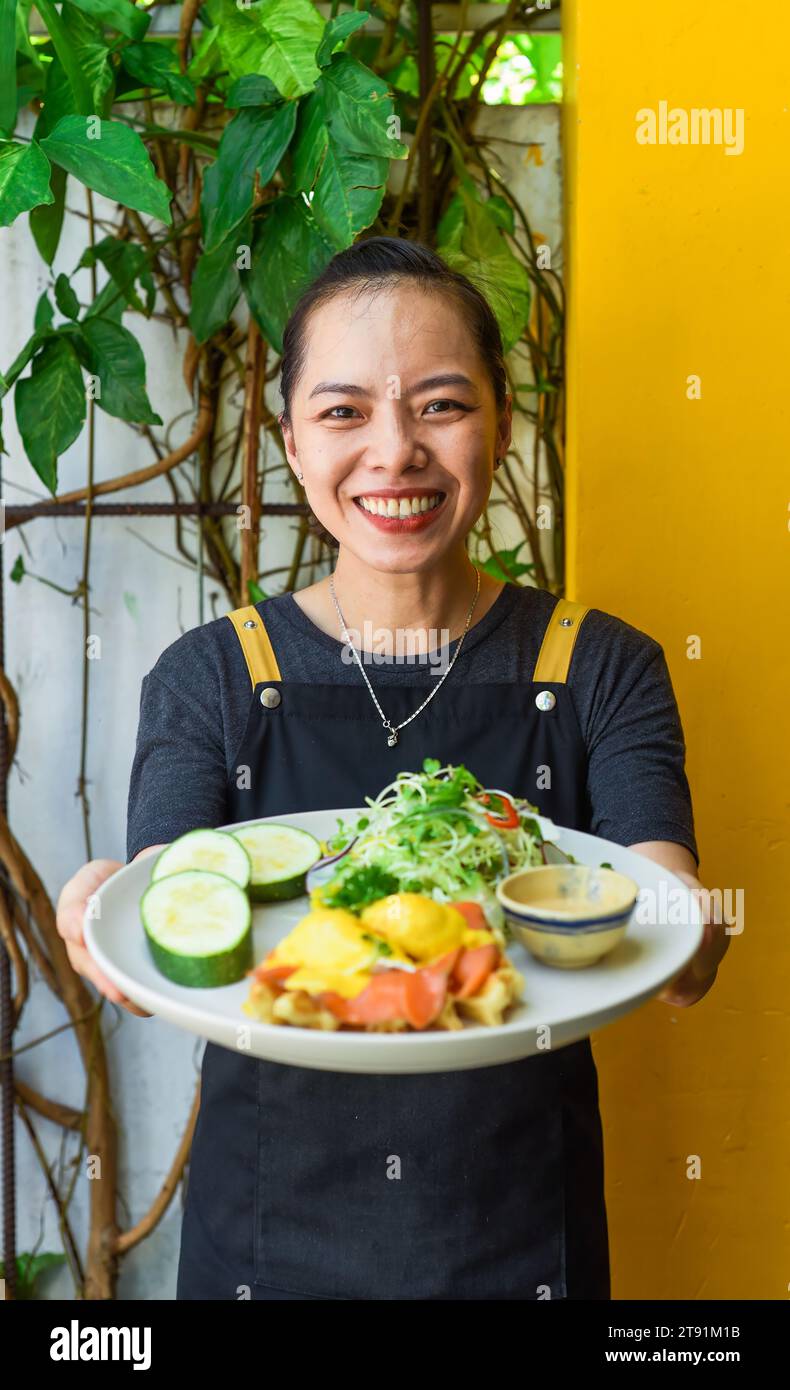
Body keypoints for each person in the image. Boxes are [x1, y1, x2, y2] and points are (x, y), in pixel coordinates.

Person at [56, 237, 729, 1301]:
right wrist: (96, 910)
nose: (394, 450)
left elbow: (680, 957)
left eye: (440, 405)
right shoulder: (211, 678)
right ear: (288, 441)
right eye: (342, 412)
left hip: (518, 1246)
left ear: (501, 421)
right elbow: (159, 928)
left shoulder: (600, 666)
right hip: (267, 1248)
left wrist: (689, 917)